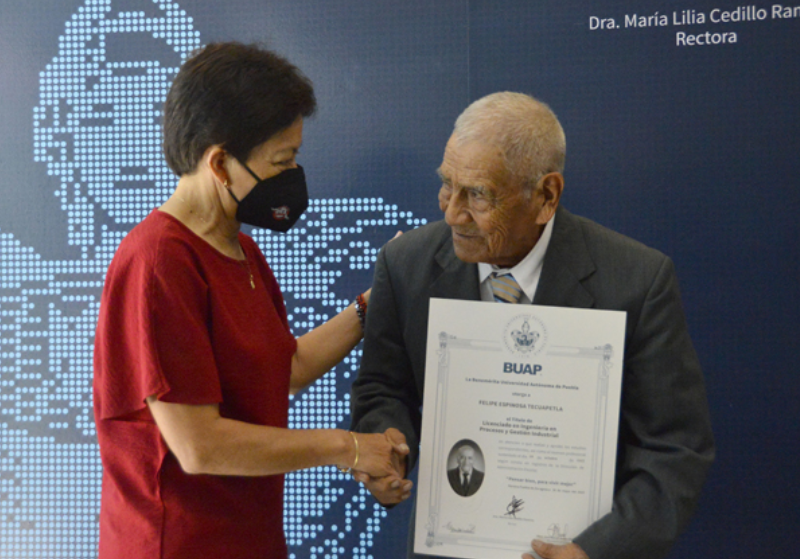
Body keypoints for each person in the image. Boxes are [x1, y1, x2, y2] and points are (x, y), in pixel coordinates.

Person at [350, 92, 715, 559]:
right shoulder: (404, 264)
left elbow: (675, 451)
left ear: (546, 196)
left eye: (478, 194)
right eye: (447, 185)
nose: (452, 212)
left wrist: (594, 552)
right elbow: (382, 388)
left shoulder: (637, 281)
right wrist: (389, 449)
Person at [92, 42, 404, 559]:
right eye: (282, 161)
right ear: (219, 162)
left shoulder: (241, 249)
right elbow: (199, 446)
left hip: (249, 539)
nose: (293, 175)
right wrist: (345, 447)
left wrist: (375, 303)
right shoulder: (159, 262)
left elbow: (285, 370)